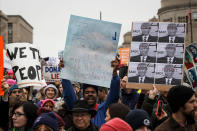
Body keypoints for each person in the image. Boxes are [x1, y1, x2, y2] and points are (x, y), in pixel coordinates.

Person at [61, 58, 120, 127]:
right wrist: (64, 74)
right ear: (83, 95)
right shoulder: (77, 109)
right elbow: (69, 95)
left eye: (93, 92)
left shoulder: (104, 109)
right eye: (87, 92)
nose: (90, 94)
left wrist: (115, 75)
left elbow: (114, 95)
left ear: (97, 94)